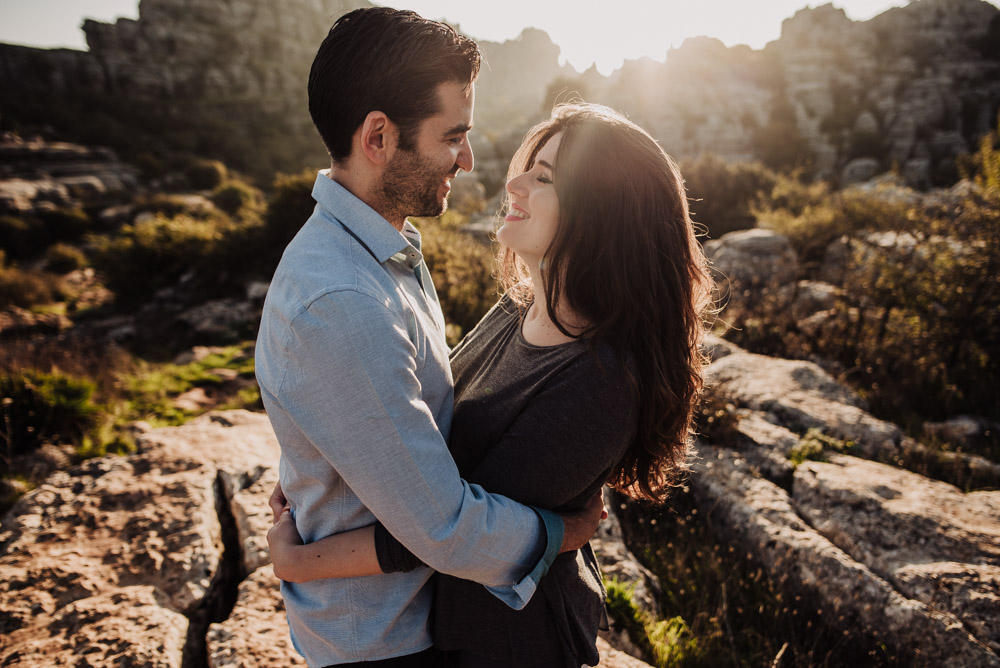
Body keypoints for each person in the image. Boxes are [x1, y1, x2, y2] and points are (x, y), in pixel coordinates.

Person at [268, 103, 714, 667]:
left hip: (510, 644)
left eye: (545, 177)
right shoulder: (518, 307)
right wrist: (325, 477)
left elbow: (449, 533)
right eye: (529, 166)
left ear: (604, 212)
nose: (515, 182)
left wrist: (298, 561)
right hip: (447, 629)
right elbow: (426, 429)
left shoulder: (601, 382)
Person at [255, 8, 606, 668]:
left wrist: (310, 478)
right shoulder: (342, 302)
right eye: (452, 136)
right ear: (379, 137)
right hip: (386, 645)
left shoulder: (383, 249)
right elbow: (445, 528)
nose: (469, 160)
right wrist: (566, 529)